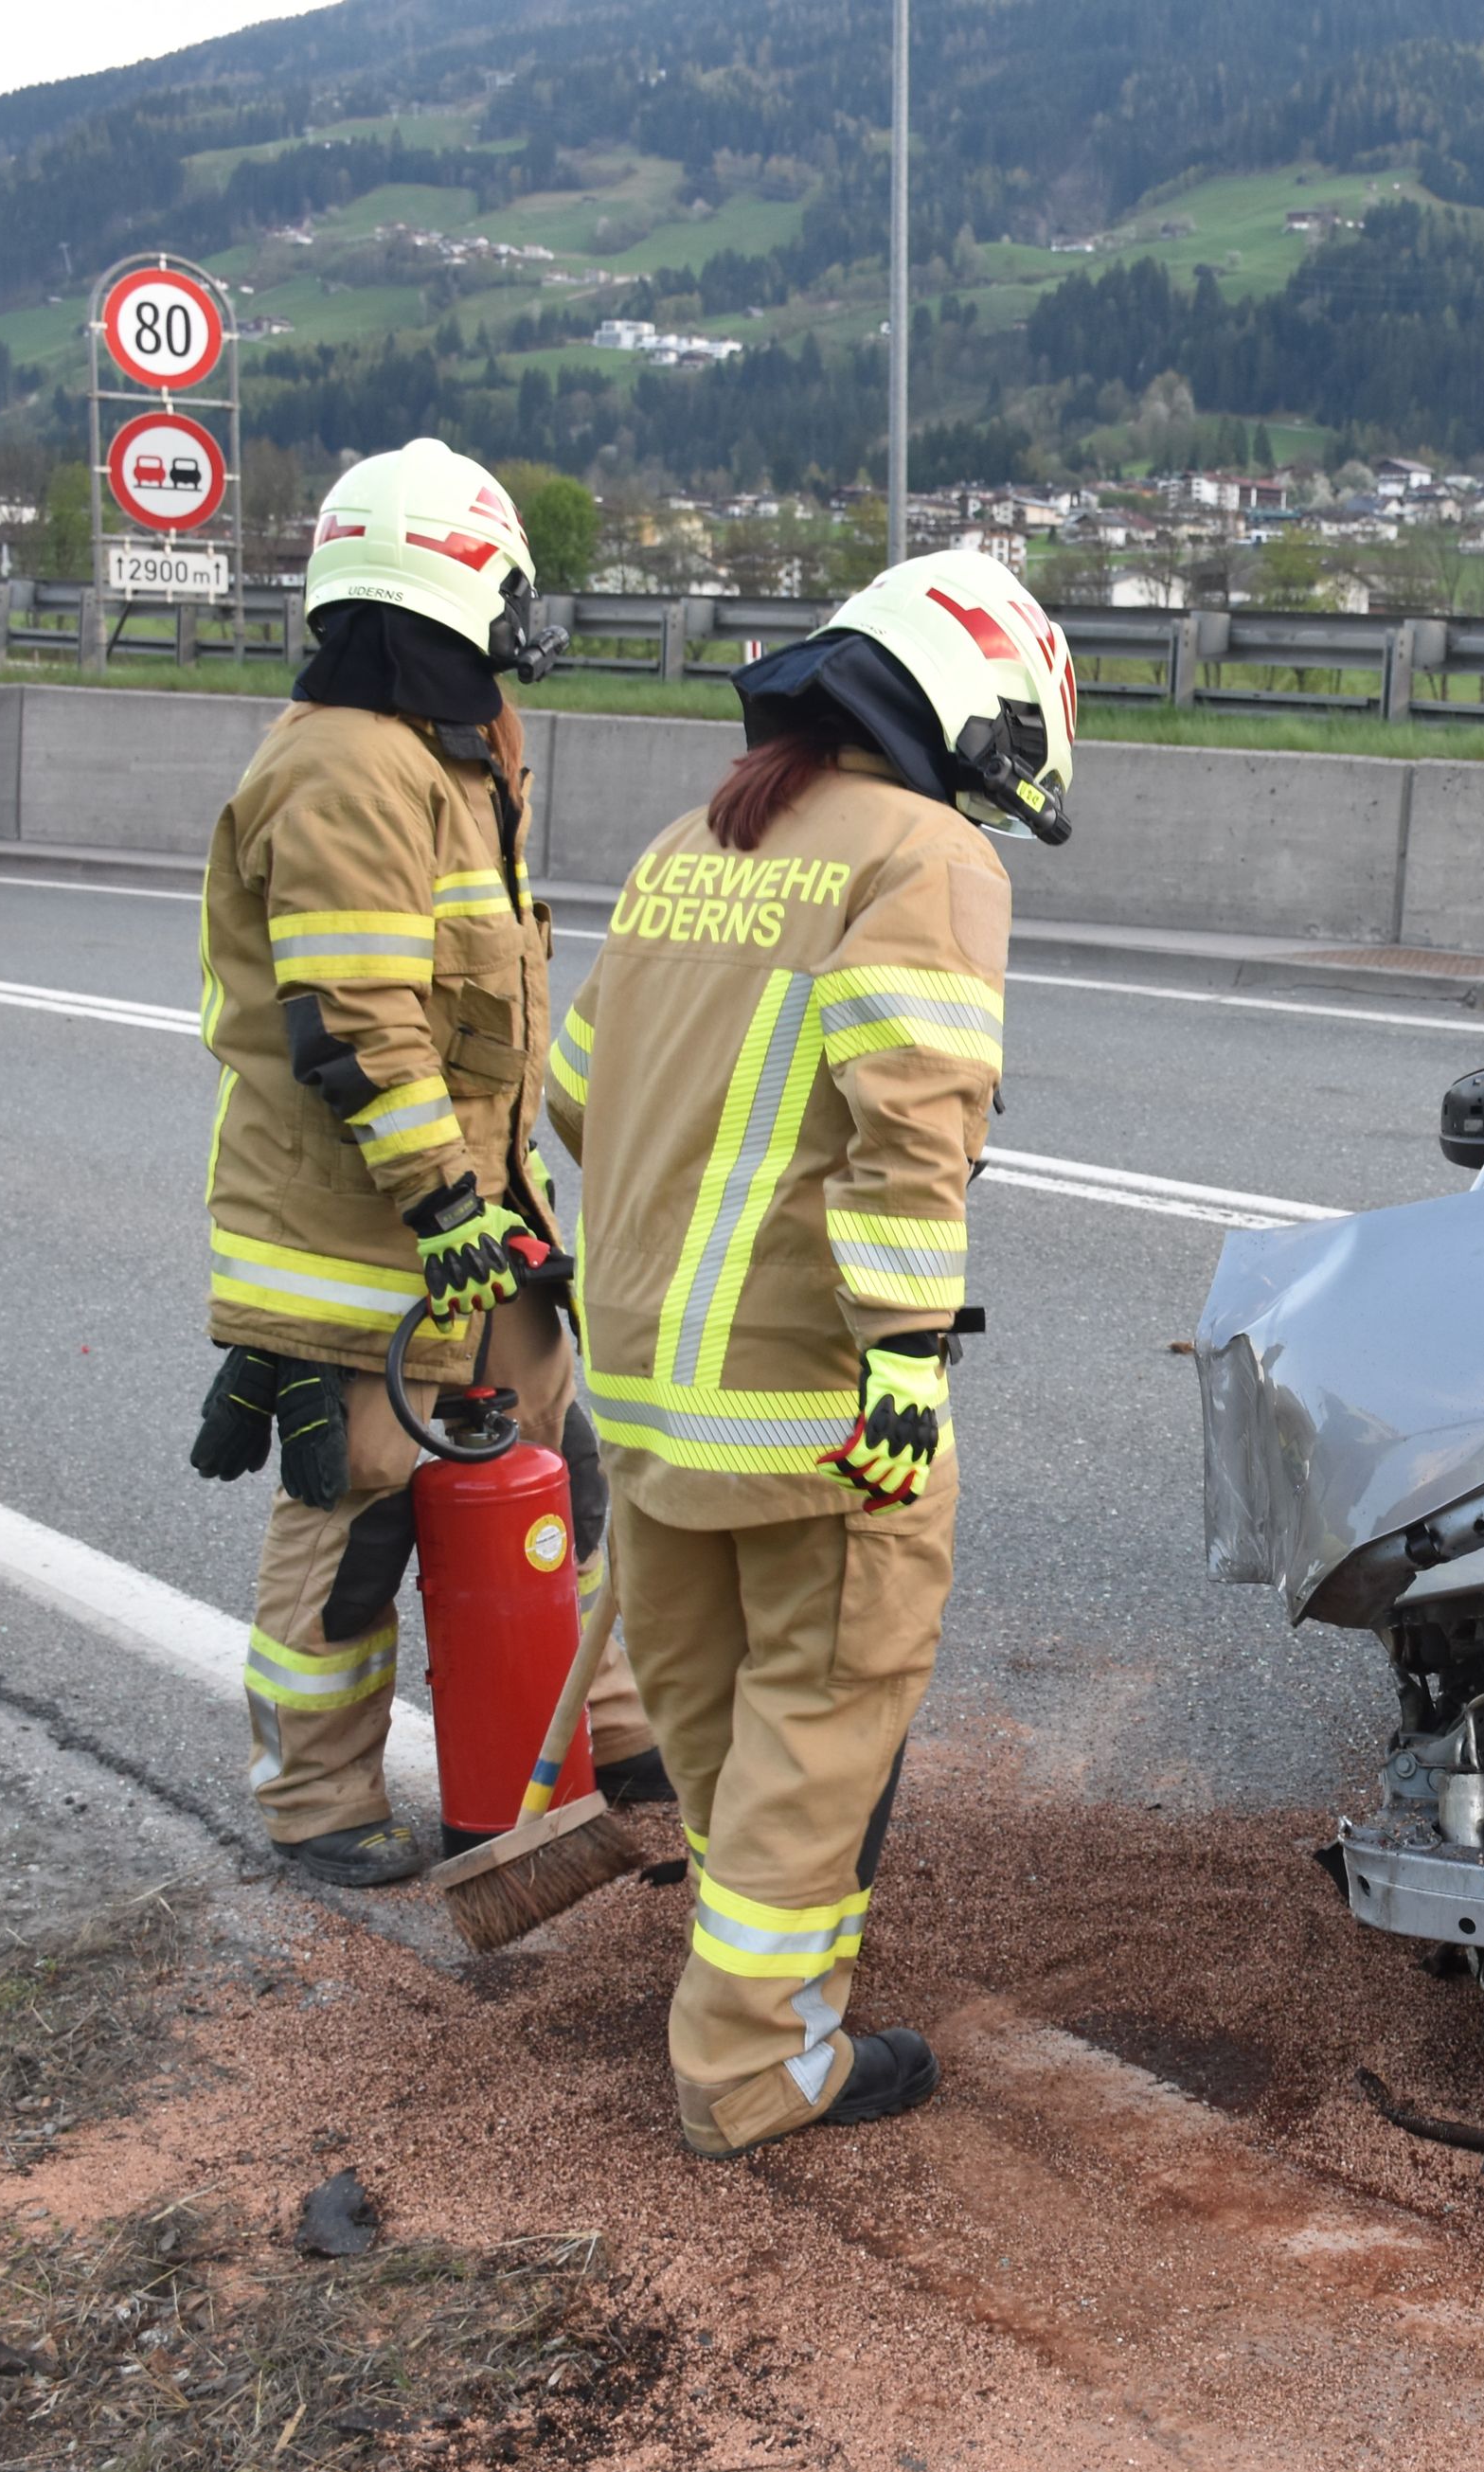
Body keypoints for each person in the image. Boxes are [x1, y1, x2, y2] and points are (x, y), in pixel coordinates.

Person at [545, 546, 1073, 2158]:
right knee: (822, 1716)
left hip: (649, 1392)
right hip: (811, 1400)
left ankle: (758, 1980)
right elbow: (911, 1127)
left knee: (716, 1726)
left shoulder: (692, 844)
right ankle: (757, 2063)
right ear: (971, 707)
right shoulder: (924, 855)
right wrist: (905, 1355)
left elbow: (576, 1093)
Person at [189, 436, 668, 1886]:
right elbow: (357, 1020)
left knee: (559, 1487)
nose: (523, 619)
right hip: (369, 1243)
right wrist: (444, 1201)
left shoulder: (452, 755)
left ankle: (604, 1733)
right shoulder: (345, 768)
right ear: (456, 587)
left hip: (479, 1225)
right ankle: (316, 1798)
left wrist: (490, 1210)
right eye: (509, 588)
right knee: (357, 1523)